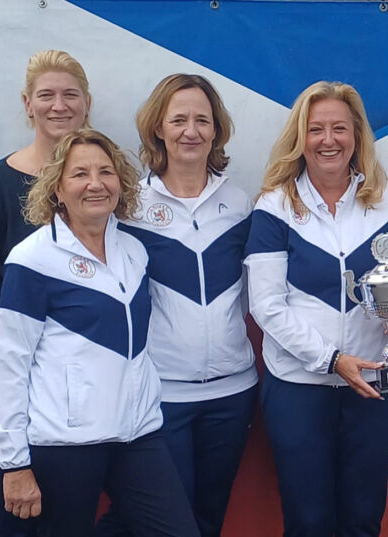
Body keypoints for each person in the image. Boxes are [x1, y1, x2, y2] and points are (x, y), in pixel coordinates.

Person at [0, 129, 200, 537]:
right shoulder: (31, 260)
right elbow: (11, 366)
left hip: (136, 434)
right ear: (58, 189)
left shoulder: (134, 252)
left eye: (105, 172)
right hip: (64, 444)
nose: (96, 183)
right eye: (80, 174)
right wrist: (14, 462)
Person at [244, 80, 388, 537]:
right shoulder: (275, 206)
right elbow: (266, 306)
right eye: (316, 129)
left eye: (339, 128)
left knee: (363, 519)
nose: (328, 140)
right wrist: (331, 359)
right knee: (309, 521)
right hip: (300, 387)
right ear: (300, 137)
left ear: (356, 135)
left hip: (374, 385)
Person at [100, 74, 256, 537]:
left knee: (209, 519)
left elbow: (256, 293)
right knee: (165, 522)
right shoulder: (129, 208)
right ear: (158, 128)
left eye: (202, 120)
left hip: (232, 393)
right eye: (179, 120)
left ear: (217, 130)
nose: (191, 131)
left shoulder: (241, 203)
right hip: (162, 395)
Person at [0, 49, 90, 536]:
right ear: (27, 104)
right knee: (20, 507)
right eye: (46, 95)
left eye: (70, 95)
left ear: (87, 103)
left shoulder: (100, 181)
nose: (59, 105)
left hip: (83, 384)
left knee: (72, 510)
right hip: (14, 381)